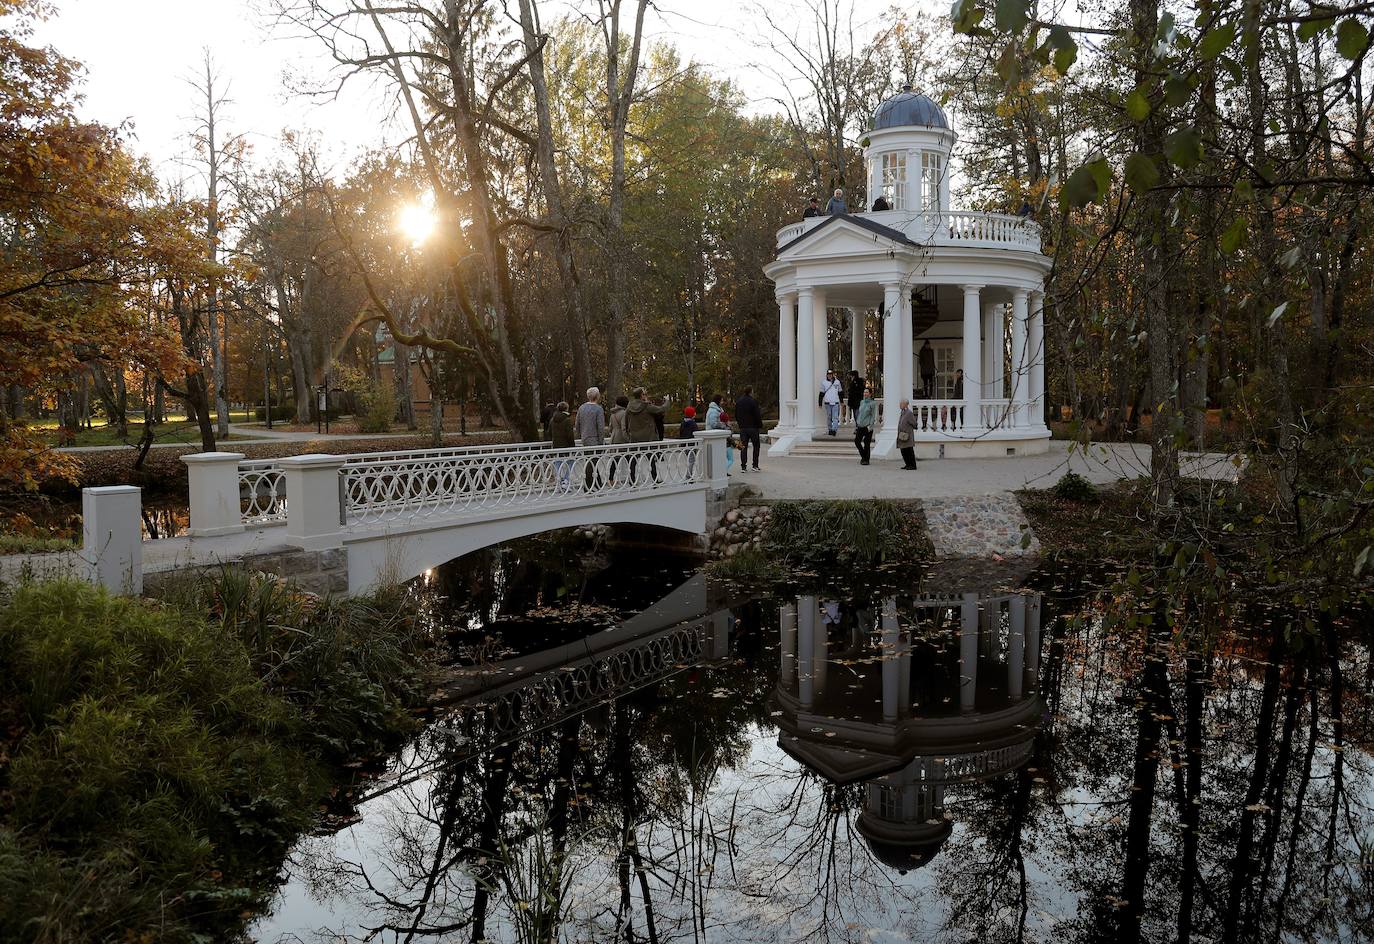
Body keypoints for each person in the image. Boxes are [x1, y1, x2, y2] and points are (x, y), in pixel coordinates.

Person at [625, 387, 666, 483]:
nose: (646, 395)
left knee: (633, 459)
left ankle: (632, 480)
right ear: (641, 395)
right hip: (648, 438)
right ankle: (655, 479)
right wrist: (667, 401)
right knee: (651, 459)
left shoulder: (629, 407)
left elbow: (626, 422)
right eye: (644, 394)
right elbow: (661, 409)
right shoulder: (647, 406)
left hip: (634, 437)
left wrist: (628, 433)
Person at [576, 386, 606, 489]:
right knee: (592, 462)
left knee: (592, 461)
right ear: (597, 396)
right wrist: (601, 441)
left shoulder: (581, 408)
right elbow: (600, 427)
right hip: (594, 439)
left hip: (585, 438)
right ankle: (587, 485)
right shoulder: (598, 409)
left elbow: (577, 424)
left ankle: (597, 483)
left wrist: (581, 435)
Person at [734, 386, 763, 472]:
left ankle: (743, 466)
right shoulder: (753, 401)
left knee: (743, 447)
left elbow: (736, 414)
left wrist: (740, 424)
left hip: (743, 428)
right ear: (751, 392)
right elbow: (757, 414)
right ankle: (755, 465)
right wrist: (760, 425)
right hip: (753, 427)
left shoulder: (739, 402)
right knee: (756, 446)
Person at [549, 401, 575, 489]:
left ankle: (558, 481)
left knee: (557, 462)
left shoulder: (552, 420)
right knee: (571, 462)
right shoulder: (567, 420)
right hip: (566, 445)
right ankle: (566, 480)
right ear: (566, 409)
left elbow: (549, 432)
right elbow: (570, 435)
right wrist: (572, 446)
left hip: (556, 444)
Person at [706, 393, 733, 472]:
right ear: (718, 401)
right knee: (719, 456)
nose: (722, 402)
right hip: (714, 436)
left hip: (720, 435)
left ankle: (723, 471)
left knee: (721, 455)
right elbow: (713, 423)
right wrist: (725, 425)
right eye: (721, 401)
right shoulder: (713, 411)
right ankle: (721, 471)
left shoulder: (719, 409)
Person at [607, 394, 629, 483]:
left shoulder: (613, 414)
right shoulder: (624, 413)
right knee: (630, 458)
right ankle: (632, 477)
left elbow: (610, 428)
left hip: (614, 437)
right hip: (622, 438)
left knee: (615, 460)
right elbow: (624, 428)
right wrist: (628, 439)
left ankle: (611, 479)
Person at [854, 384, 876, 465]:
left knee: (867, 444)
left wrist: (870, 426)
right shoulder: (862, 402)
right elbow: (860, 413)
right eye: (864, 392)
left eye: (866, 392)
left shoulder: (872, 403)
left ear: (870, 394)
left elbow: (873, 415)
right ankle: (863, 456)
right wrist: (858, 423)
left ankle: (866, 460)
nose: (865, 394)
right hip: (860, 426)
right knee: (857, 441)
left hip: (867, 427)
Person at [896, 398, 918, 470]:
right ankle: (907, 464)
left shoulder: (909, 413)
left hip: (907, 435)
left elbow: (914, 424)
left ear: (906, 404)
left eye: (901, 403)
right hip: (902, 435)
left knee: (909, 450)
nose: (900, 405)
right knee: (903, 450)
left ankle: (912, 465)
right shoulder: (902, 412)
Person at [820, 370, 843, 436]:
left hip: (835, 402)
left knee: (835, 417)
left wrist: (841, 401)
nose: (830, 375)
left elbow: (840, 392)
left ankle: (834, 430)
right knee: (829, 417)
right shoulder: (824, 382)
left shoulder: (837, 382)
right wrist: (820, 403)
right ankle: (830, 429)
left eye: (831, 374)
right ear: (827, 375)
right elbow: (821, 393)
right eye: (828, 374)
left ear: (833, 375)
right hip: (827, 402)